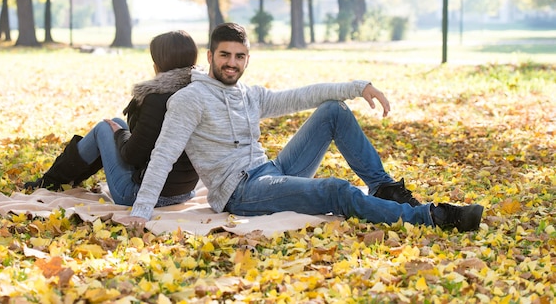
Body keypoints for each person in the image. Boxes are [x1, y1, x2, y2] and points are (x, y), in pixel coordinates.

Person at [118, 22, 483, 232]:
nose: (232, 63)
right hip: (240, 192)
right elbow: (163, 154)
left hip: (269, 171)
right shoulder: (188, 100)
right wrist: (141, 211)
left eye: (239, 56)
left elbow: (302, 96)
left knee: (332, 111)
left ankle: (384, 188)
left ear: (247, 58)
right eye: (224, 55)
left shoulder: (248, 94)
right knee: (334, 190)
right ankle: (430, 216)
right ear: (210, 56)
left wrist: (359, 87)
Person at [25, 30, 200, 208]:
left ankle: (51, 181)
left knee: (105, 128)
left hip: (141, 195)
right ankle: (60, 179)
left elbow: (133, 156)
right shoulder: (198, 93)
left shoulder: (157, 98)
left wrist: (119, 134)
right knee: (116, 121)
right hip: (184, 192)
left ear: (158, 64)